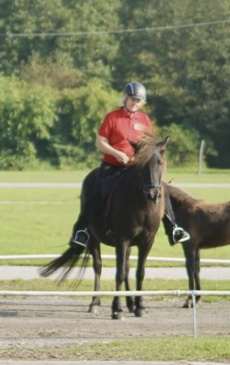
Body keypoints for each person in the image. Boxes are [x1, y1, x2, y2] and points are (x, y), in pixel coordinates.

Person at [69, 81, 190, 247]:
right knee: (97, 190)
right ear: (125, 98)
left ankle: (173, 227)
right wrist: (117, 154)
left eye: (138, 101)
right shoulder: (112, 117)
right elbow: (100, 142)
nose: (135, 103)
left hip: (135, 167)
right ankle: (81, 230)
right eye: (132, 99)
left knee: (160, 188)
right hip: (112, 164)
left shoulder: (144, 120)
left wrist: (139, 159)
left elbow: (149, 147)